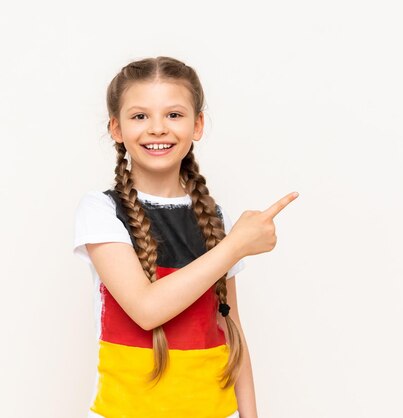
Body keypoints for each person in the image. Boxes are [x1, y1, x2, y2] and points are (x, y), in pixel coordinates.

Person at [72, 56, 299, 418]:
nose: (158, 128)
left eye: (174, 115)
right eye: (139, 116)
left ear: (198, 124)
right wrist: (236, 246)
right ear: (116, 128)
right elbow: (146, 310)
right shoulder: (100, 210)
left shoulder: (214, 216)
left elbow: (232, 329)